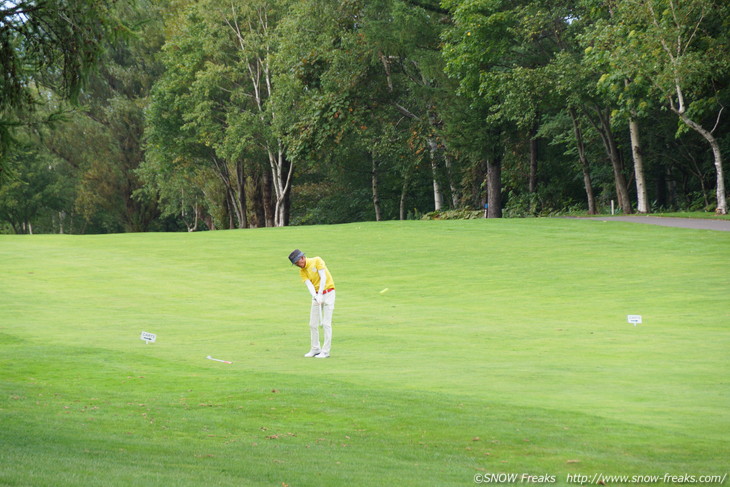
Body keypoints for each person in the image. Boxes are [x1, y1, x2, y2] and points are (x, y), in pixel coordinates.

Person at [288, 249, 335, 358]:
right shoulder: (302, 271)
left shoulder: (317, 260)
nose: (297, 265)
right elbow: (309, 285)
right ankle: (315, 348)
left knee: (326, 324)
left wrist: (320, 294)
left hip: (328, 292)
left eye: (297, 262)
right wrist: (315, 296)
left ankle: (326, 351)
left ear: (302, 258)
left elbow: (323, 277)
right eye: (295, 264)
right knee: (313, 324)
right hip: (317, 296)